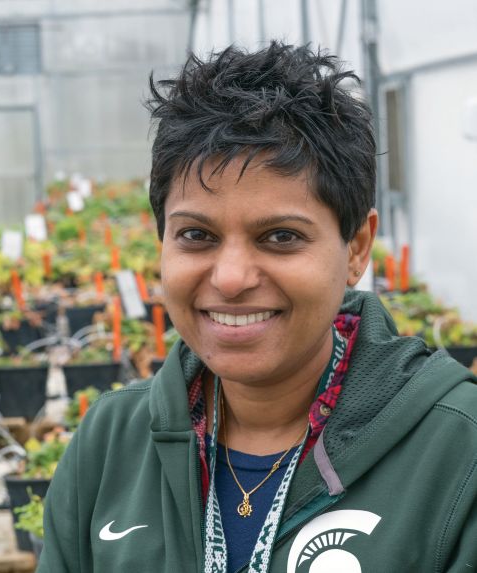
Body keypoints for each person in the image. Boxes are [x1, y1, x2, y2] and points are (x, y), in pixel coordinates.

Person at [37, 42, 477, 573]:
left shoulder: (457, 455)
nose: (230, 278)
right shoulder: (110, 444)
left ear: (357, 247)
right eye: (197, 234)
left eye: (281, 237)